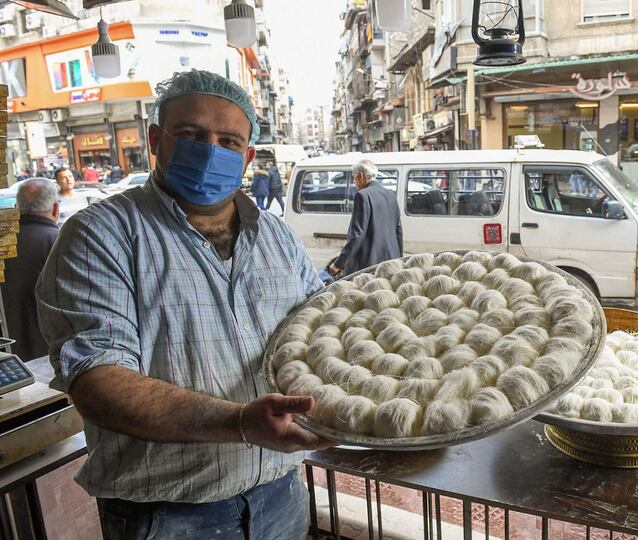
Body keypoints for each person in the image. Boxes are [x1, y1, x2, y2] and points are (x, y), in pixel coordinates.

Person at [36, 70, 331, 540]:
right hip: (168, 515)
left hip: (281, 494)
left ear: (248, 156)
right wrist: (239, 422)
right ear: (157, 139)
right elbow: (98, 382)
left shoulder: (276, 236)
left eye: (229, 141)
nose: (211, 150)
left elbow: (321, 331)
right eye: (192, 135)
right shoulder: (102, 235)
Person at [0, 179, 59, 361]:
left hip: (9, 357)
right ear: (55, 209)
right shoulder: (59, 242)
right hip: (48, 356)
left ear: (17, 207)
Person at [328, 159, 403, 277]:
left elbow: (357, 235)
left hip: (368, 266)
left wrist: (338, 264)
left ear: (361, 176)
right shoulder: (390, 194)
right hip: (391, 261)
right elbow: (398, 230)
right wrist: (399, 259)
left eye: (354, 177)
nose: (354, 182)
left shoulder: (362, 196)